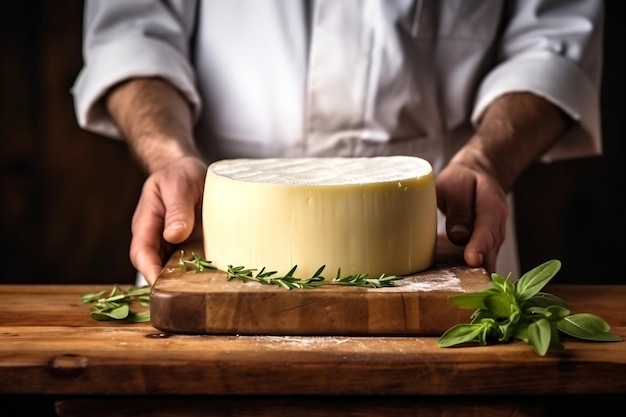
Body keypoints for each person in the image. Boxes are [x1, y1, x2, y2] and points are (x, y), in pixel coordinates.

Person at [72, 0, 604, 286]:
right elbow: (132, 34)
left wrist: (488, 157)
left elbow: (552, 44)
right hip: (220, 216)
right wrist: (169, 154)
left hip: (441, 218)